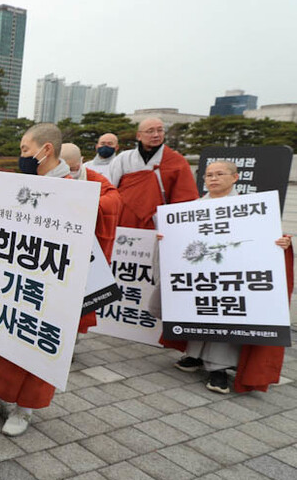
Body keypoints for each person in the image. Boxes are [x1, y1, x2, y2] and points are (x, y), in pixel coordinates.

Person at [0, 123, 120, 436]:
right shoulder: (18, 185)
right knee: (2, 334)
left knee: (36, 341)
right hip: (16, 278)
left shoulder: (78, 186)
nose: (22, 156)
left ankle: (25, 408)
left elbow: (113, 205)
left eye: (24, 149)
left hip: (50, 283)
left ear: (45, 149)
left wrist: (84, 208)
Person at [168, 160, 293, 393]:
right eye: (208, 175)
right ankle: (194, 356)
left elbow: (265, 236)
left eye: (220, 174)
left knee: (226, 314)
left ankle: (219, 368)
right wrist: (166, 238)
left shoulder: (249, 206)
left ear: (235, 178)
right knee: (199, 311)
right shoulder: (193, 206)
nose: (213, 179)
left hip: (233, 271)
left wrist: (282, 242)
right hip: (202, 271)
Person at [106, 117, 198, 229]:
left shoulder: (177, 161)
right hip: (123, 221)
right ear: (138, 136)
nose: (156, 135)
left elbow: (185, 199)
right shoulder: (124, 159)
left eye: (160, 130)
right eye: (150, 131)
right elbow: (109, 190)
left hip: (159, 224)